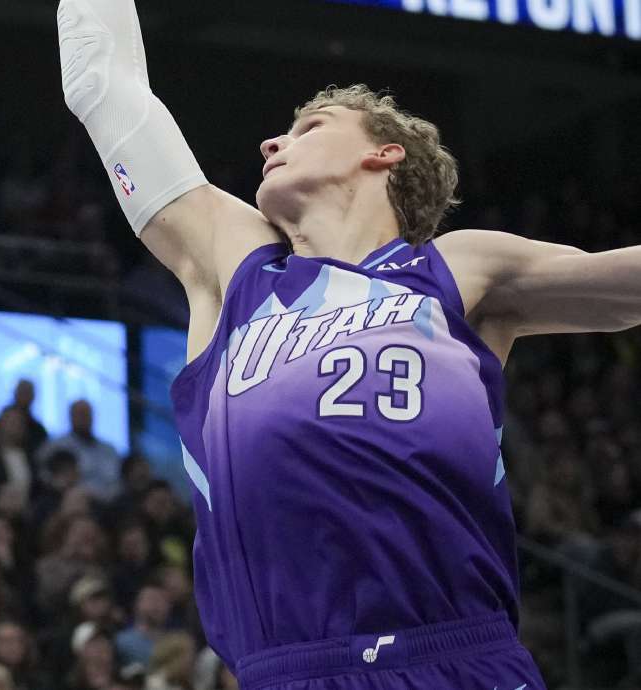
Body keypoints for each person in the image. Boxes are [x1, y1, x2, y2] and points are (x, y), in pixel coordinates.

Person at [58, 1, 641, 686]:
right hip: (287, 667)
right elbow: (101, 83)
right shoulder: (236, 266)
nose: (271, 144)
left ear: (384, 152)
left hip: (454, 657)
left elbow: (622, 288)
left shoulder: (455, 269)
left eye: (308, 127)